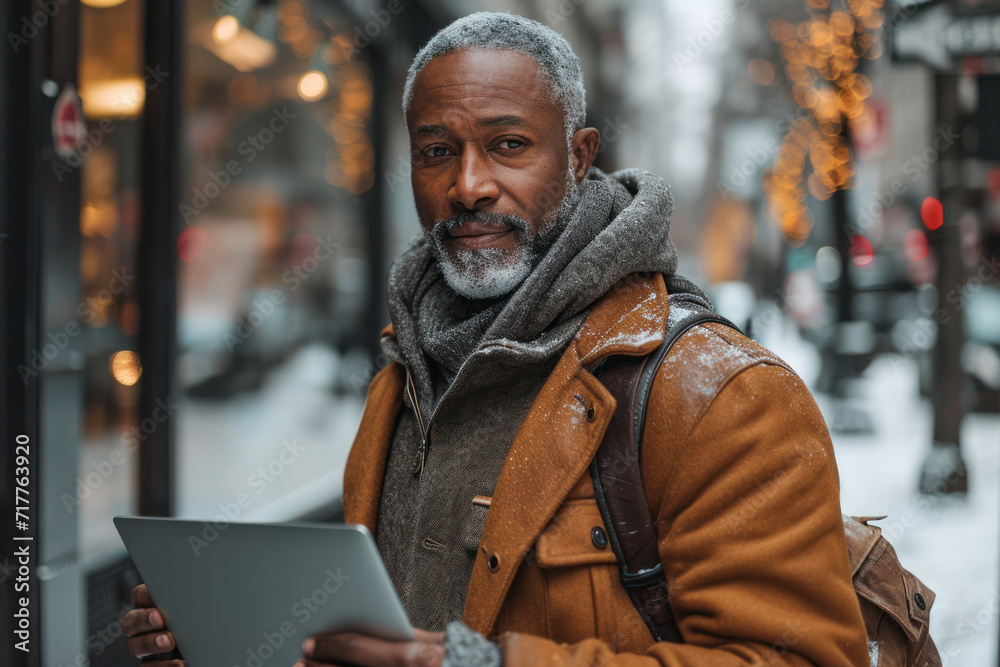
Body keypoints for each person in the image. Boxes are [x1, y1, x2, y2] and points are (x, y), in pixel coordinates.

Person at [122, 12, 870, 666]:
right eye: (437, 150)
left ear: (579, 157)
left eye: (509, 145)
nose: (468, 184)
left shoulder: (719, 393)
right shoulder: (407, 373)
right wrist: (230, 637)